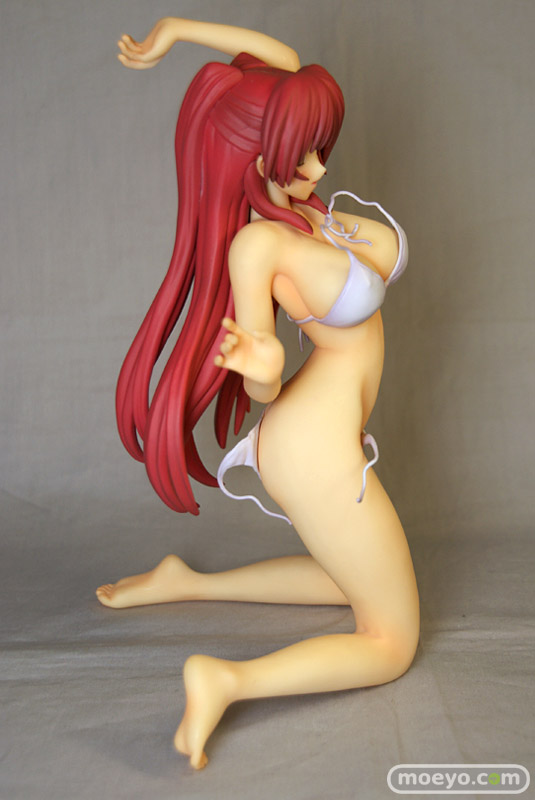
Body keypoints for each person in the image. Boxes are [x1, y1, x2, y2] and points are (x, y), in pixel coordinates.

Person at [96, 17, 420, 770]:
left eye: (318, 147)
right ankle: (227, 680)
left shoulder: (303, 212)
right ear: (253, 155)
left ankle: (187, 582)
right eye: (297, 153)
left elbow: (284, 62)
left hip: (324, 432)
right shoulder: (259, 243)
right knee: (390, 639)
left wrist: (176, 29)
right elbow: (264, 378)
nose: (315, 166)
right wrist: (262, 358)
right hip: (312, 447)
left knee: (350, 578)